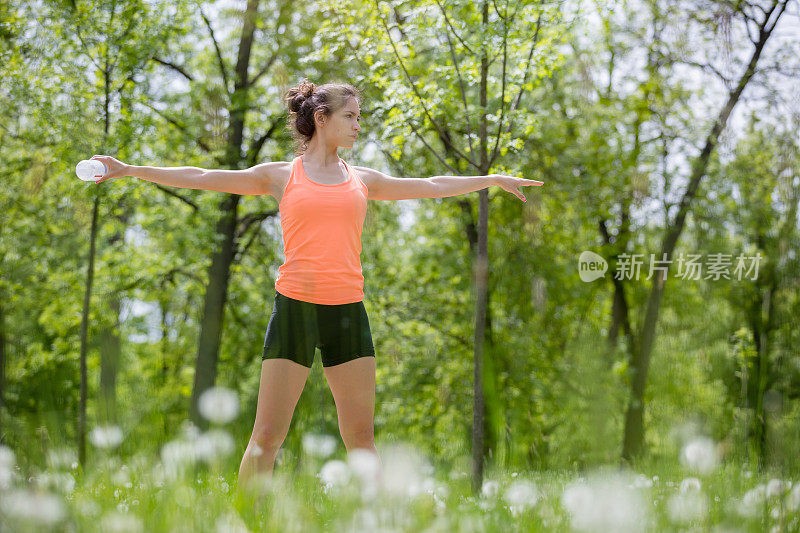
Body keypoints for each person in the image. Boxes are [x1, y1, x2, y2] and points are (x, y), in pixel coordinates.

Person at [91, 79, 542, 494]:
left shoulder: (363, 179)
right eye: (351, 116)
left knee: (361, 441)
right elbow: (204, 177)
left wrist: (491, 180)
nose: (358, 125)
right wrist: (129, 169)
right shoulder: (282, 175)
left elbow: (428, 184)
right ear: (321, 118)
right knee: (266, 437)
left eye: (360, 117)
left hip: (348, 313)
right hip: (295, 310)